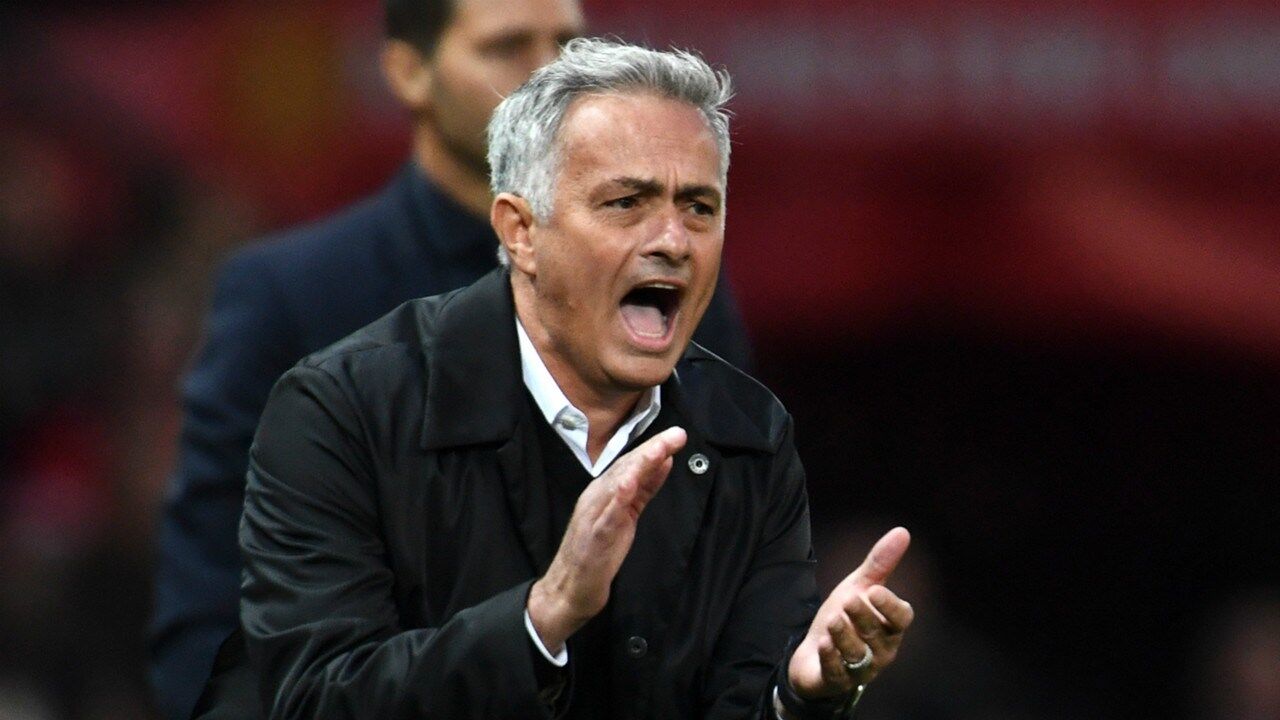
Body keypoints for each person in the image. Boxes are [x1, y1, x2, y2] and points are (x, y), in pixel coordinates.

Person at [195, 38, 912, 719]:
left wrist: (796, 697)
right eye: (626, 203)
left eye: (699, 207)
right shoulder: (343, 411)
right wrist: (543, 617)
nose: (673, 241)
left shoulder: (747, 435)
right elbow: (315, 699)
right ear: (521, 232)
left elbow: (741, 697)